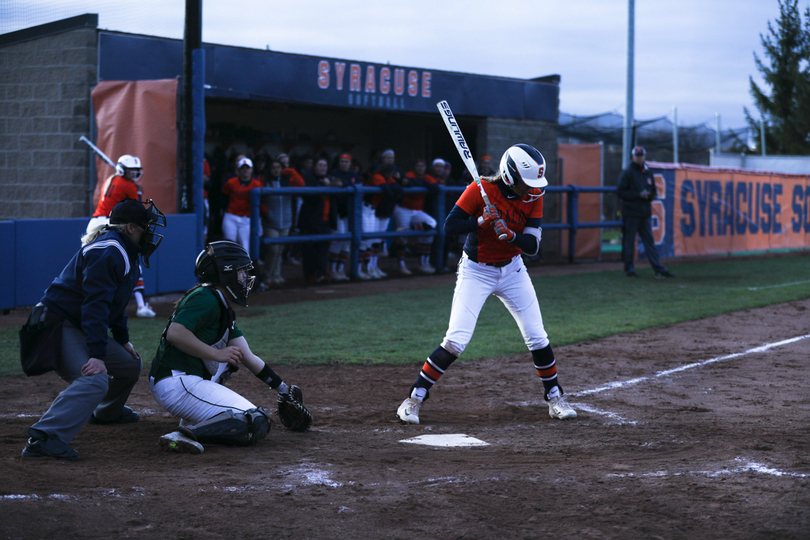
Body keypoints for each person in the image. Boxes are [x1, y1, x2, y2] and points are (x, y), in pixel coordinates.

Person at [396, 144, 577, 425]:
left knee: (537, 336)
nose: (531, 189)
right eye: (525, 183)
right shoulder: (480, 189)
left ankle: (554, 397)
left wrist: (511, 236)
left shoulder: (533, 197)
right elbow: (450, 226)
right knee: (456, 341)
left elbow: (532, 245)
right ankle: (414, 398)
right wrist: (481, 221)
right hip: (476, 271)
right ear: (509, 176)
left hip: (513, 270)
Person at [21, 199, 166, 460]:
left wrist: (122, 340)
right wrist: (97, 356)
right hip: (54, 325)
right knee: (94, 379)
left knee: (129, 365)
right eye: (146, 226)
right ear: (131, 227)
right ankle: (44, 438)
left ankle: (106, 412)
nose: (150, 232)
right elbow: (95, 307)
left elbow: (114, 304)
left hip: (73, 323)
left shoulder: (124, 250)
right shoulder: (109, 250)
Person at [149, 241, 312, 454]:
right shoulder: (205, 298)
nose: (245, 278)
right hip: (177, 382)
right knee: (253, 421)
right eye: (241, 272)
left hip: (183, 380)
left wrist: (283, 389)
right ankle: (185, 434)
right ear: (226, 274)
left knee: (246, 404)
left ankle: (193, 424)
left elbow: (247, 356)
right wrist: (216, 354)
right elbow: (175, 333)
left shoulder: (220, 304)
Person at [87, 154, 156, 318]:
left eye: (135, 171)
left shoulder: (110, 179)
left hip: (94, 223)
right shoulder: (129, 186)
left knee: (91, 264)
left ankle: (93, 301)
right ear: (122, 170)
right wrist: (138, 191)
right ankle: (140, 306)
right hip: (111, 225)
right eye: (131, 171)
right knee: (132, 262)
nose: (134, 174)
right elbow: (138, 210)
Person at [617, 146, 674, 279]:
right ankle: (629, 269)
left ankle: (659, 269)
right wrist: (639, 195)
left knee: (649, 242)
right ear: (633, 156)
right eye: (637, 155)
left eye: (641, 155)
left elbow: (653, 191)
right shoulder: (627, 172)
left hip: (644, 213)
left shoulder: (647, 172)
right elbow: (620, 192)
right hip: (631, 213)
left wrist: (650, 196)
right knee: (629, 242)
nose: (639, 157)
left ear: (644, 156)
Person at [259, 159, 304, 288]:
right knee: (273, 249)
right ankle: (267, 275)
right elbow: (260, 200)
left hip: (286, 220)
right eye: (273, 167)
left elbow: (301, 185)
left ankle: (276, 275)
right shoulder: (264, 181)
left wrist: (291, 171)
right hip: (270, 221)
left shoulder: (287, 181)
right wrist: (267, 213)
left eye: (279, 167)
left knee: (280, 250)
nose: (276, 170)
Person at [395, 159, 440, 275]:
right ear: (415, 167)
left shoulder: (427, 177)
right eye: (418, 166)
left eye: (422, 166)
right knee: (402, 239)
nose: (420, 168)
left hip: (417, 211)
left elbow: (437, 188)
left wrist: (424, 183)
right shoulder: (410, 174)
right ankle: (401, 265)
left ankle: (423, 263)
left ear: (425, 168)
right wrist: (424, 184)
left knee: (432, 225)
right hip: (403, 209)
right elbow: (410, 182)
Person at [359, 162, 401, 279]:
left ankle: (370, 268)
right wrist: (392, 188)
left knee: (374, 239)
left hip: (372, 210)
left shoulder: (387, 178)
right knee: (366, 239)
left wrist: (392, 187)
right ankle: (359, 269)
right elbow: (388, 192)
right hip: (364, 208)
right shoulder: (377, 176)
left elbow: (399, 189)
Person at [299, 156, 337, 283]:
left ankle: (322, 274)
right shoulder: (309, 178)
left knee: (324, 250)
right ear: (314, 166)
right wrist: (327, 186)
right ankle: (310, 274)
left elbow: (343, 183)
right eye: (320, 165)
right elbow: (312, 197)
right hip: (310, 221)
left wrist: (330, 184)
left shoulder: (329, 178)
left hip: (326, 220)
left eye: (325, 166)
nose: (322, 168)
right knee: (310, 250)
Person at [328, 153, 361, 281]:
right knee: (338, 239)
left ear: (350, 164)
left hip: (350, 212)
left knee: (347, 242)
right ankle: (333, 269)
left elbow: (357, 187)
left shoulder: (354, 175)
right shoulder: (333, 172)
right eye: (342, 161)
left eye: (346, 162)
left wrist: (344, 183)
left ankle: (341, 269)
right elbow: (334, 182)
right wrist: (344, 184)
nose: (344, 164)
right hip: (337, 211)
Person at [221, 156, 263, 254]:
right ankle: (229, 268)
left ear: (252, 169)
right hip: (231, 216)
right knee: (229, 245)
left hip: (246, 218)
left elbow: (262, 202)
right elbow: (223, 196)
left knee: (245, 247)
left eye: (247, 168)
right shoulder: (231, 182)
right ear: (238, 170)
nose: (245, 170)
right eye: (242, 168)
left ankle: (243, 269)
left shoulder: (257, 184)